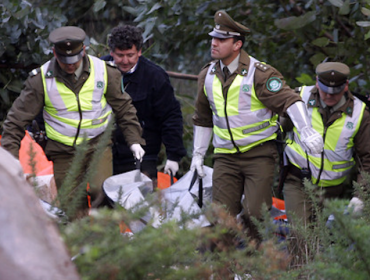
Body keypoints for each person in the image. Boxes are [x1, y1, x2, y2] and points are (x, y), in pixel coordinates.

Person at [190, 10, 324, 241]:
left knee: (255, 213)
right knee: (221, 217)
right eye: (213, 38)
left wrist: (307, 130)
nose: (214, 43)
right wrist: (198, 155)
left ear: (237, 44)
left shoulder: (259, 73)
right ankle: (225, 271)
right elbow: (202, 117)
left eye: (221, 40)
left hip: (259, 153)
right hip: (224, 156)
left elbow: (289, 100)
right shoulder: (207, 74)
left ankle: (254, 265)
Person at [1, 26, 145, 215]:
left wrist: (135, 141)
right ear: (54, 53)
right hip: (63, 150)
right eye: (64, 60)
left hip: (97, 144)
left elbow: (124, 108)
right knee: (70, 204)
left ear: (83, 50)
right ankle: (80, 241)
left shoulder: (104, 72)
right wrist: (10, 160)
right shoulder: (41, 80)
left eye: (75, 60)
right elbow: (15, 122)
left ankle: (107, 239)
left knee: (100, 190)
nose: (70, 65)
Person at [282, 62, 370, 223]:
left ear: (346, 86)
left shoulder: (359, 113)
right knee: (300, 234)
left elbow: (367, 159)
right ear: (316, 82)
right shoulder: (299, 97)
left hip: (332, 189)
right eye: (325, 90)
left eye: (335, 92)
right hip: (298, 180)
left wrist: (360, 196)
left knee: (323, 237)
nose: (329, 95)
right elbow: (278, 126)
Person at [100, 25, 186, 188]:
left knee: (139, 202)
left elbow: (170, 117)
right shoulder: (98, 70)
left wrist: (174, 155)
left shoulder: (155, 77)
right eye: (120, 55)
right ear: (112, 52)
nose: (125, 61)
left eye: (130, 55)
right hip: (106, 150)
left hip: (143, 152)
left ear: (139, 51)